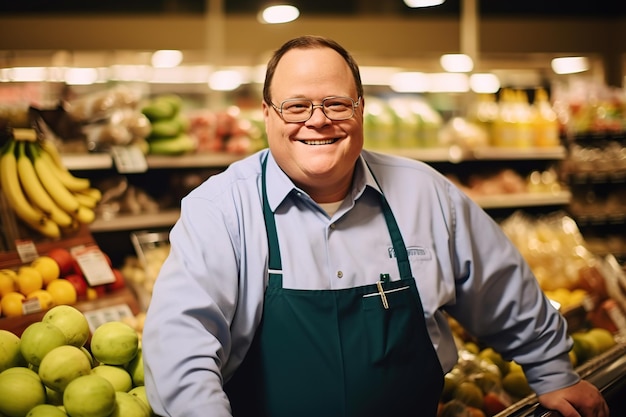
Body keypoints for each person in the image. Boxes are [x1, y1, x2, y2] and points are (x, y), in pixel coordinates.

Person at [142, 35, 609, 417]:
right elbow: (182, 345)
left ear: (361, 108)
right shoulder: (222, 208)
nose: (318, 120)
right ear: (267, 115)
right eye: (296, 106)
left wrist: (552, 371)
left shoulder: (425, 194)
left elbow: (501, 286)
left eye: (336, 104)